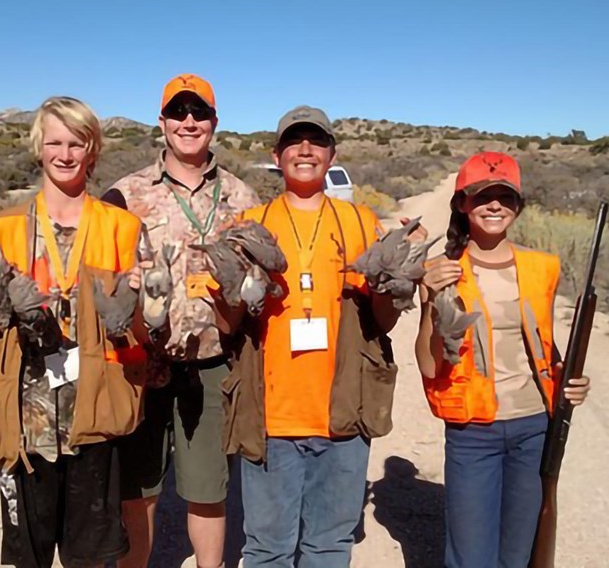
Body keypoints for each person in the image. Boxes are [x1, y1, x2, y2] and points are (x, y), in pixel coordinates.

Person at [216, 105, 426, 567]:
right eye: (294, 141)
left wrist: (398, 283)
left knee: (329, 546)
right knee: (267, 549)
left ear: (332, 155)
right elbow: (226, 325)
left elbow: (383, 321)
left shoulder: (360, 222)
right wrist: (234, 286)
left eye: (316, 141)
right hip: (273, 415)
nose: (305, 149)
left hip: (344, 414)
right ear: (277, 155)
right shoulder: (250, 225)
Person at [0, 96, 147, 568]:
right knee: (29, 558)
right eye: (55, 142)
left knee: (88, 558)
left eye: (77, 143)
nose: (65, 154)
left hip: (93, 417)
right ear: (38, 147)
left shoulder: (123, 228)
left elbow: (139, 330)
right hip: (24, 424)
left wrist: (133, 307)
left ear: (93, 150)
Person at [105, 73, 260, 568]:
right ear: (162, 121)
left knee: (208, 489)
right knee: (140, 491)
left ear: (214, 122)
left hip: (214, 362)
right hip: (142, 365)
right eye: (178, 112)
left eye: (199, 113)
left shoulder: (244, 198)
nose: (188, 122)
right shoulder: (124, 195)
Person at [415, 151, 591, 568]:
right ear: (462, 204)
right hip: (473, 432)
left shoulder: (543, 268)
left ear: (518, 205)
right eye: (482, 196)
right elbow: (427, 365)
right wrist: (428, 306)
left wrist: (571, 380)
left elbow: (544, 348)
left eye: (505, 196)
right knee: (471, 558)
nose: (494, 205)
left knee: (518, 554)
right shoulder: (440, 271)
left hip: (534, 428)